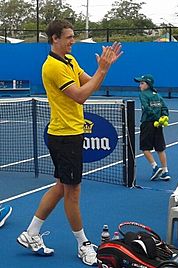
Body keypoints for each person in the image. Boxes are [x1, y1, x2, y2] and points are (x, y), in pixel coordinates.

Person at [17, 20, 123, 266]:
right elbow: (81, 96)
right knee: (73, 192)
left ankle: (31, 233)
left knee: (61, 187)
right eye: (69, 37)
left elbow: (88, 83)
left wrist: (100, 70)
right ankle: (83, 244)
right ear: (55, 38)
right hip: (64, 137)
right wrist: (103, 70)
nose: (73, 40)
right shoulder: (53, 67)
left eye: (73, 36)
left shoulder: (69, 61)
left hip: (70, 134)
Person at [134, 74, 171, 181]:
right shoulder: (157, 95)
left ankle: (155, 167)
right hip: (158, 125)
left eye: (142, 83)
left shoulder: (143, 94)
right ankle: (165, 171)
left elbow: (146, 107)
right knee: (160, 148)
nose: (140, 85)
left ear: (148, 84)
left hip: (147, 123)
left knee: (145, 148)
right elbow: (164, 108)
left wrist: (156, 118)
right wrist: (163, 117)